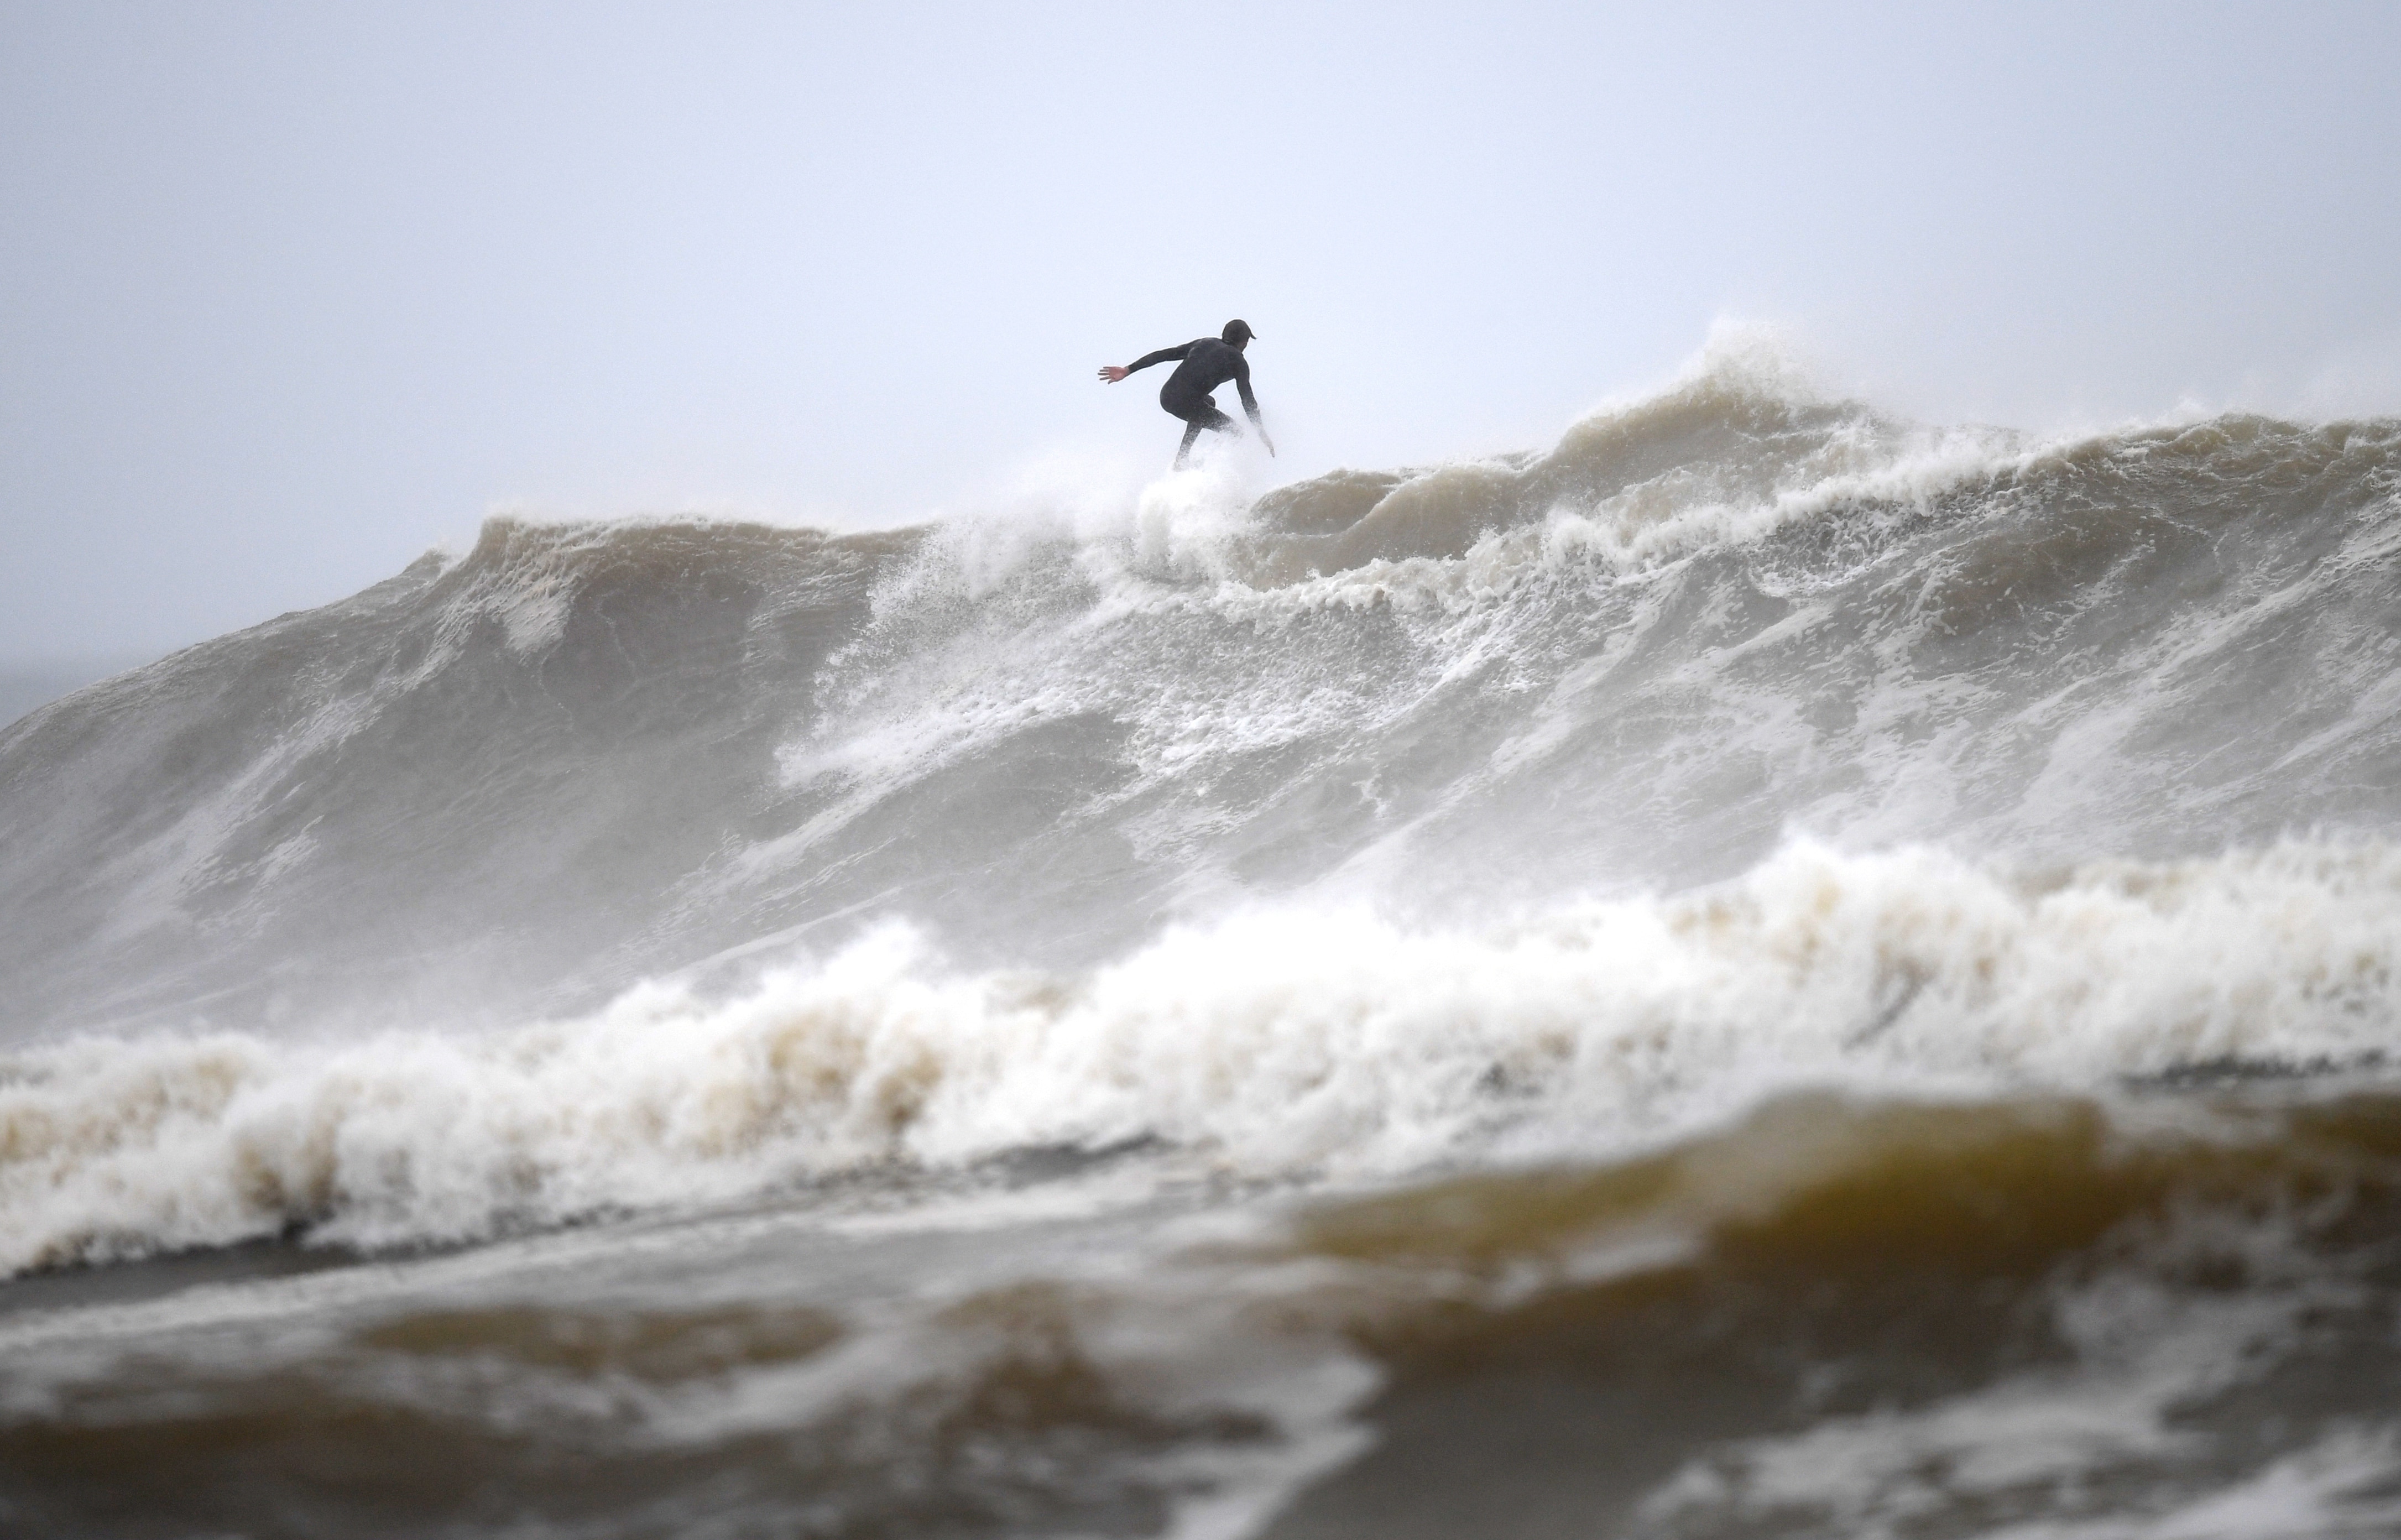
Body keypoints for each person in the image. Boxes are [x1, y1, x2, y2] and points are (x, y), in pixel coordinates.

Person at [1099, 319, 1276, 468]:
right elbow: (1247, 399)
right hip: (1186, 402)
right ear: (1244, 342)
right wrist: (1261, 432)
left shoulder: (1205, 342)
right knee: (1235, 432)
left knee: (1208, 403)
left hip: (1167, 396)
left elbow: (1165, 355)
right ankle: (1199, 463)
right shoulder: (1240, 363)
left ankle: (1182, 458)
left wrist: (1128, 370)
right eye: (1246, 342)